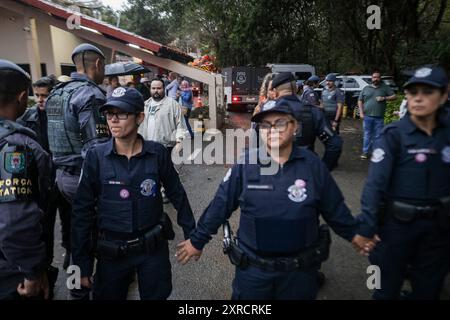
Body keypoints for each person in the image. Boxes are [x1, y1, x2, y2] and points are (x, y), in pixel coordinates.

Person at [176, 99, 375, 300]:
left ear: (294, 126)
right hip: (253, 273)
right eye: (265, 125)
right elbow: (220, 205)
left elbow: (335, 209)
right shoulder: (246, 164)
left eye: (280, 123)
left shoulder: (312, 165)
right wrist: (197, 240)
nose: (272, 130)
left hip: (299, 273)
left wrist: (355, 234)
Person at [71, 87, 196, 300]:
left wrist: (192, 235)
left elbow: (177, 194)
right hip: (111, 253)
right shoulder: (96, 157)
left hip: (152, 250)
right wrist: (81, 264)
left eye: (122, 113)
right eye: (109, 114)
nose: (114, 120)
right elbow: (82, 212)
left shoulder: (157, 154)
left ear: (140, 117)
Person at [356, 65, 450, 299]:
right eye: (413, 92)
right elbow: (375, 185)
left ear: (444, 95)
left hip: (439, 231)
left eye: (427, 92)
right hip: (397, 228)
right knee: (385, 289)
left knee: (429, 290)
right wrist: (367, 228)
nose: (418, 98)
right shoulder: (393, 135)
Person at [45, 43, 110, 276]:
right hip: (84, 178)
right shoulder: (90, 94)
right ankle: (91, 280)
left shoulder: (56, 93)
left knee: (77, 230)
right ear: (98, 64)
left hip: (61, 177)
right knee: (99, 234)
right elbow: (97, 149)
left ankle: (75, 274)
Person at [0, 60, 52, 300]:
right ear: (22, 97)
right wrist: (32, 272)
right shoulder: (15, 147)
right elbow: (15, 221)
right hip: (11, 268)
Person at [268, 72, 343, 171]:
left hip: (275, 172)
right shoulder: (313, 112)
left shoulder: (266, 114)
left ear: (274, 91)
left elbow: (256, 147)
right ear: (296, 89)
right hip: (305, 172)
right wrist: (323, 170)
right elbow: (335, 144)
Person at [138, 78, 188, 154]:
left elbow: (181, 124)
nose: (156, 91)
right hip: (147, 146)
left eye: (159, 88)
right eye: (153, 88)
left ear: (164, 89)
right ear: (150, 89)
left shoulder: (172, 104)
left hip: (166, 147)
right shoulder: (145, 105)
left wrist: (179, 142)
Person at [358, 71, 397, 159]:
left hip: (379, 117)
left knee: (378, 136)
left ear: (380, 78)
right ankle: (365, 152)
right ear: (371, 78)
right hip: (367, 116)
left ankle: (376, 152)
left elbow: (395, 96)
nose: (376, 79)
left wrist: (384, 98)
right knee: (367, 135)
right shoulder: (366, 88)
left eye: (377, 77)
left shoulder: (385, 88)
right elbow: (360, 100)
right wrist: (360, 112)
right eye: (374, 77)